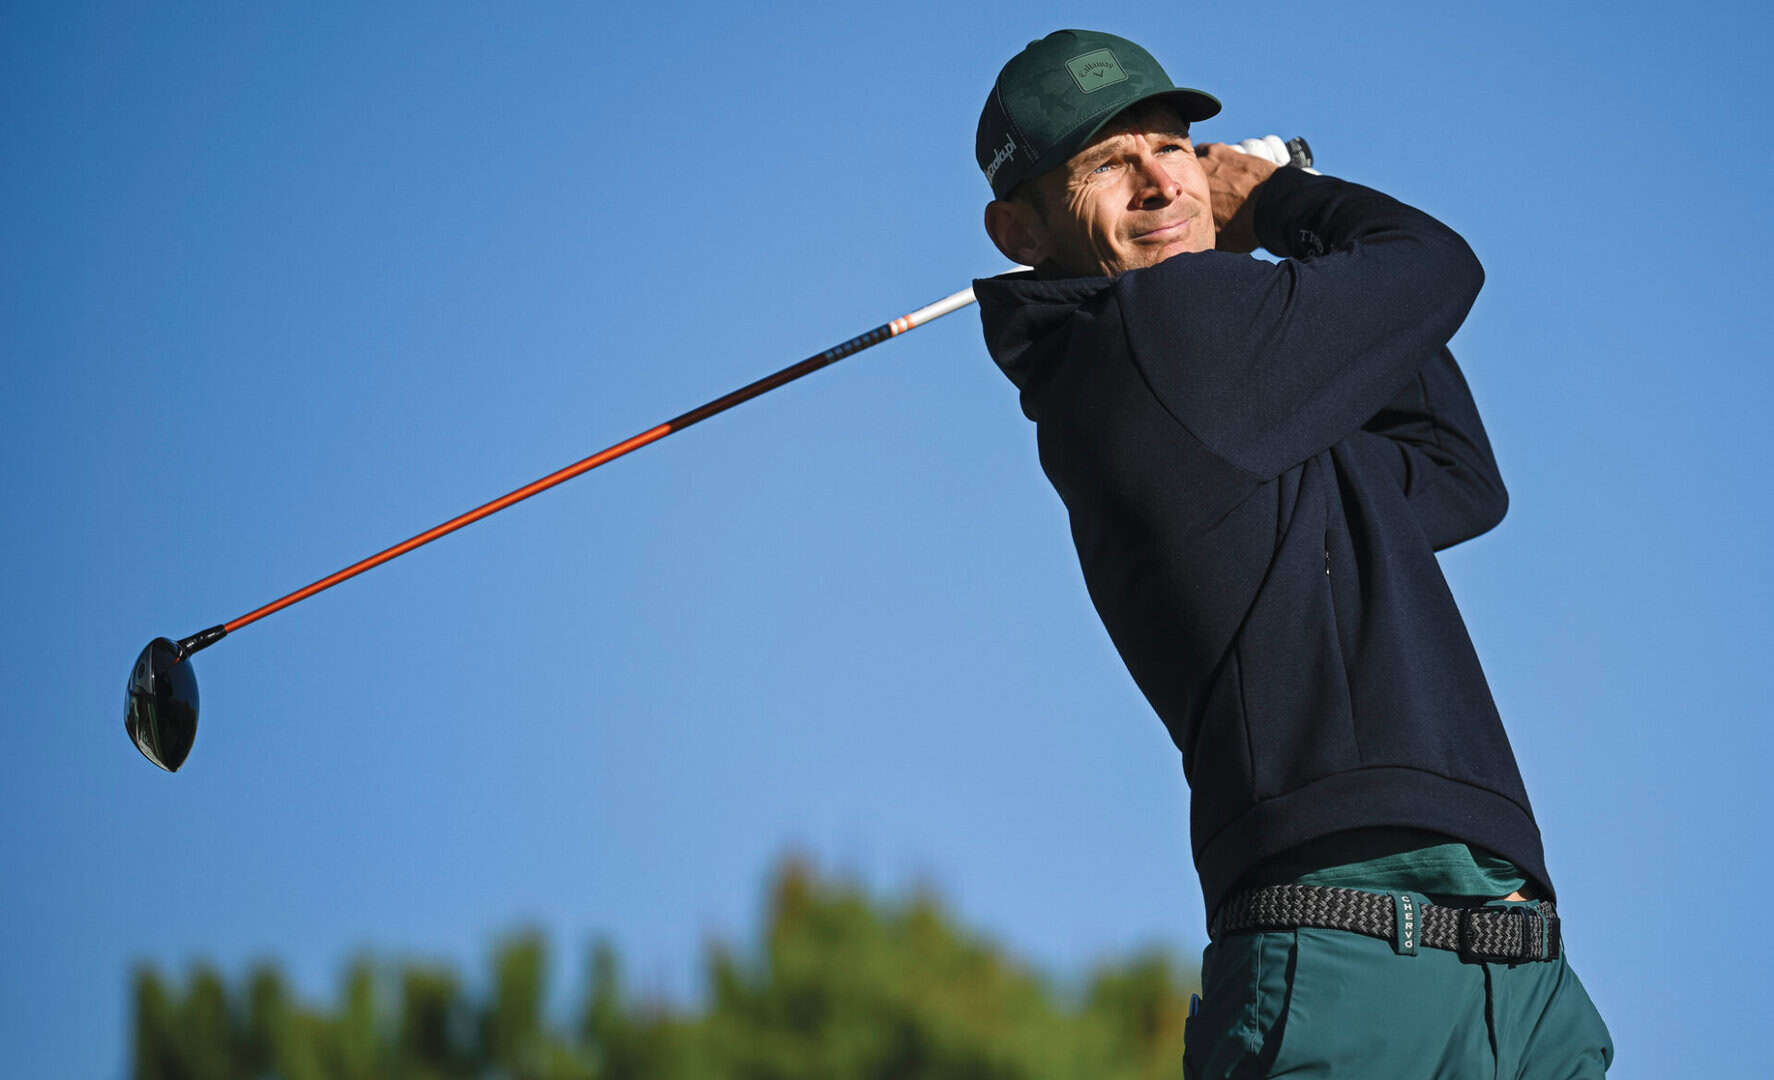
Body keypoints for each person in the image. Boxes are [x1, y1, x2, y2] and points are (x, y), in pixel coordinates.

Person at [972, 29, 1612, 1077]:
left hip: (1514, 959)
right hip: (1344, 955)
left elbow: (1451, 474)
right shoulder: (1146, 335)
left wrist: (1291, 251)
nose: (1159, 183)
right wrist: (1279, 204)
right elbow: (1433, 265)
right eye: (1105, 165)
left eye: (1173, 148)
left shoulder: (1220, 392)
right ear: (1021, 230)